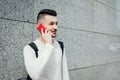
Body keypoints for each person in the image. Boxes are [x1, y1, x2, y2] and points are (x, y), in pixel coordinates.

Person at [23, 9, 69, 80]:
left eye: (56, 23)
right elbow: (33, 75)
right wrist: (48, 46)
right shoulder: (29, 48)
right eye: (51, 24)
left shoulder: (60, 45)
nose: (56, 27)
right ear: (39, 26)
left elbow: (65, 73)